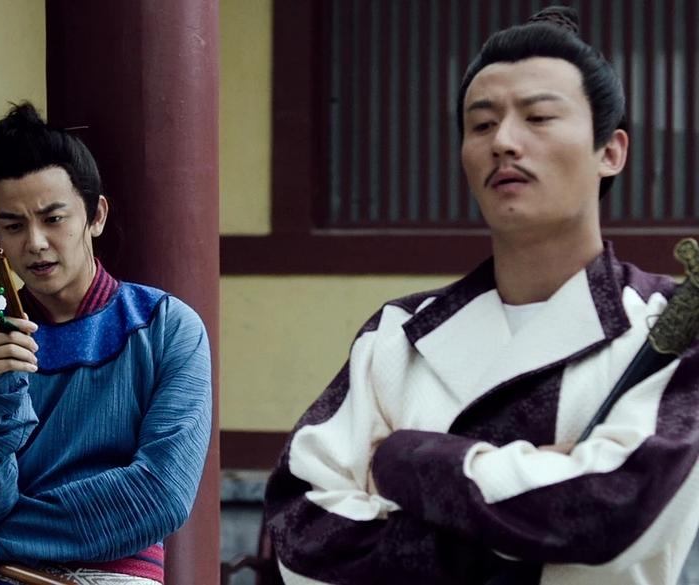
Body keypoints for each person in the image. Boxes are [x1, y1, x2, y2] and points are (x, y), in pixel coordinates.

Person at [264, 7, 699, 584]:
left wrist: (405, 459)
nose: (504, 142)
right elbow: (302, 531)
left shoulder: (668, 327)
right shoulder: (399, 335)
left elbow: (615, 512)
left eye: (539, 117)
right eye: (482, 124)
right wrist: (526, 505)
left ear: (611, 151)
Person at [0, 102, 212, 584]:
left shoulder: (167, 328)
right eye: (13, 225)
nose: (35, 242)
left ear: (95, 215)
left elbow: (162, 494)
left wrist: (3, 538)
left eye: (53, 218)